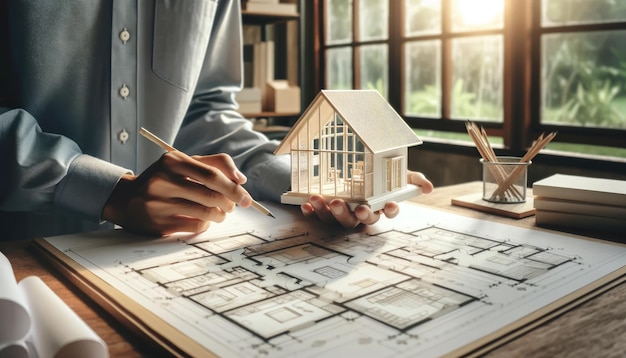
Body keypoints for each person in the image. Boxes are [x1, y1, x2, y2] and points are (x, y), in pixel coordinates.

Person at [0, 1, 432, 240]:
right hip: (20, 253)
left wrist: (310, 176)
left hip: (159, 260)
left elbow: (205, 108)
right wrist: (109, 192)